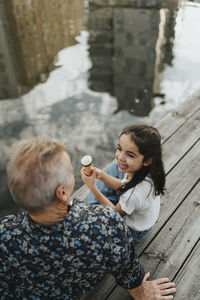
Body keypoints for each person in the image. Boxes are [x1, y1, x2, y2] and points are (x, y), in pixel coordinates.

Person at [0, 136, 176, 300]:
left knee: (115, 167)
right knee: (115, 167)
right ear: (62, 193)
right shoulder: (105, 223)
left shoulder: (5, 234)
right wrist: (141, 292)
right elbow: (128, 270)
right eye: (70, 173)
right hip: (83, 284)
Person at [82, 124, 165, 242]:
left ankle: (93, 204)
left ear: (147, 160)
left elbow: (114, 216)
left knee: (89, 214)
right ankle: (103, 197)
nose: (120, 156)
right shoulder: (148, 171)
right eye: (119, 148)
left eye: (130, 155)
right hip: (142, 221)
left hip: (134, 232)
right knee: (117, 165)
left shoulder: (133, 193)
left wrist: (92, 187)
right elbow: (124, 184)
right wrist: (101, 175)